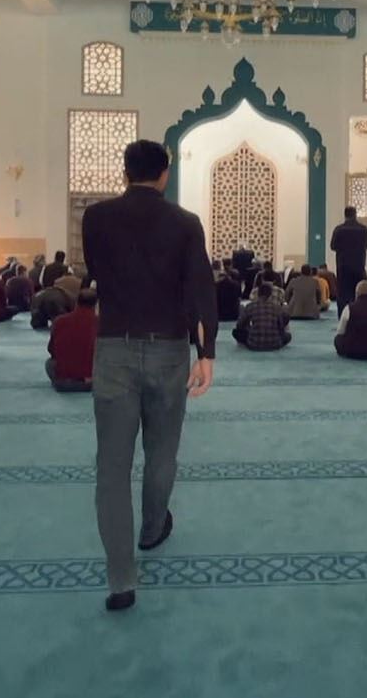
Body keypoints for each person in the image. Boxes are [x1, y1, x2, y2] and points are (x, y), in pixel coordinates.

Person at [80, 140, 218, 613]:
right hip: (169, 350)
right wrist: (207, 353)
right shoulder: (185, 223)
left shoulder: (95, 218)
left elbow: (97, 271)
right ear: (164, 175)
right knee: (162, 453)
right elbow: (200, 289)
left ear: (124, 173)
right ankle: (153, 527)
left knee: (112, 468)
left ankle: (121, 580)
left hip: (114, 348)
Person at [47, 289, 99, 393]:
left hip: (64, 382)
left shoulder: (59, 321)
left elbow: (51, 350)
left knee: (49, 363)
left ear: (76, 302)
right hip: (93, 380)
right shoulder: (100, 323)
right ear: (96, 305)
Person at [329, 207, 367, 313]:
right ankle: (359, 315)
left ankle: (343, 316)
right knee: (359, 293)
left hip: (343, 266)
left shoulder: (339, 229)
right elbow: (366, 245)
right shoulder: (364, 229)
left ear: (345, 215)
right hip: (359, 266)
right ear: (355, 214)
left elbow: (333, 246)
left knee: (343, 294)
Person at [233, 283, 292, 351]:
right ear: (270, 294)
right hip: (275, 344)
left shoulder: (250, 306)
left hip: (254, 344)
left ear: (258, 294)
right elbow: (281, 327)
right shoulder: (277, 307)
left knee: (236, 332)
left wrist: (248, 328)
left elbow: (239, 325)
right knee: (288, 336)